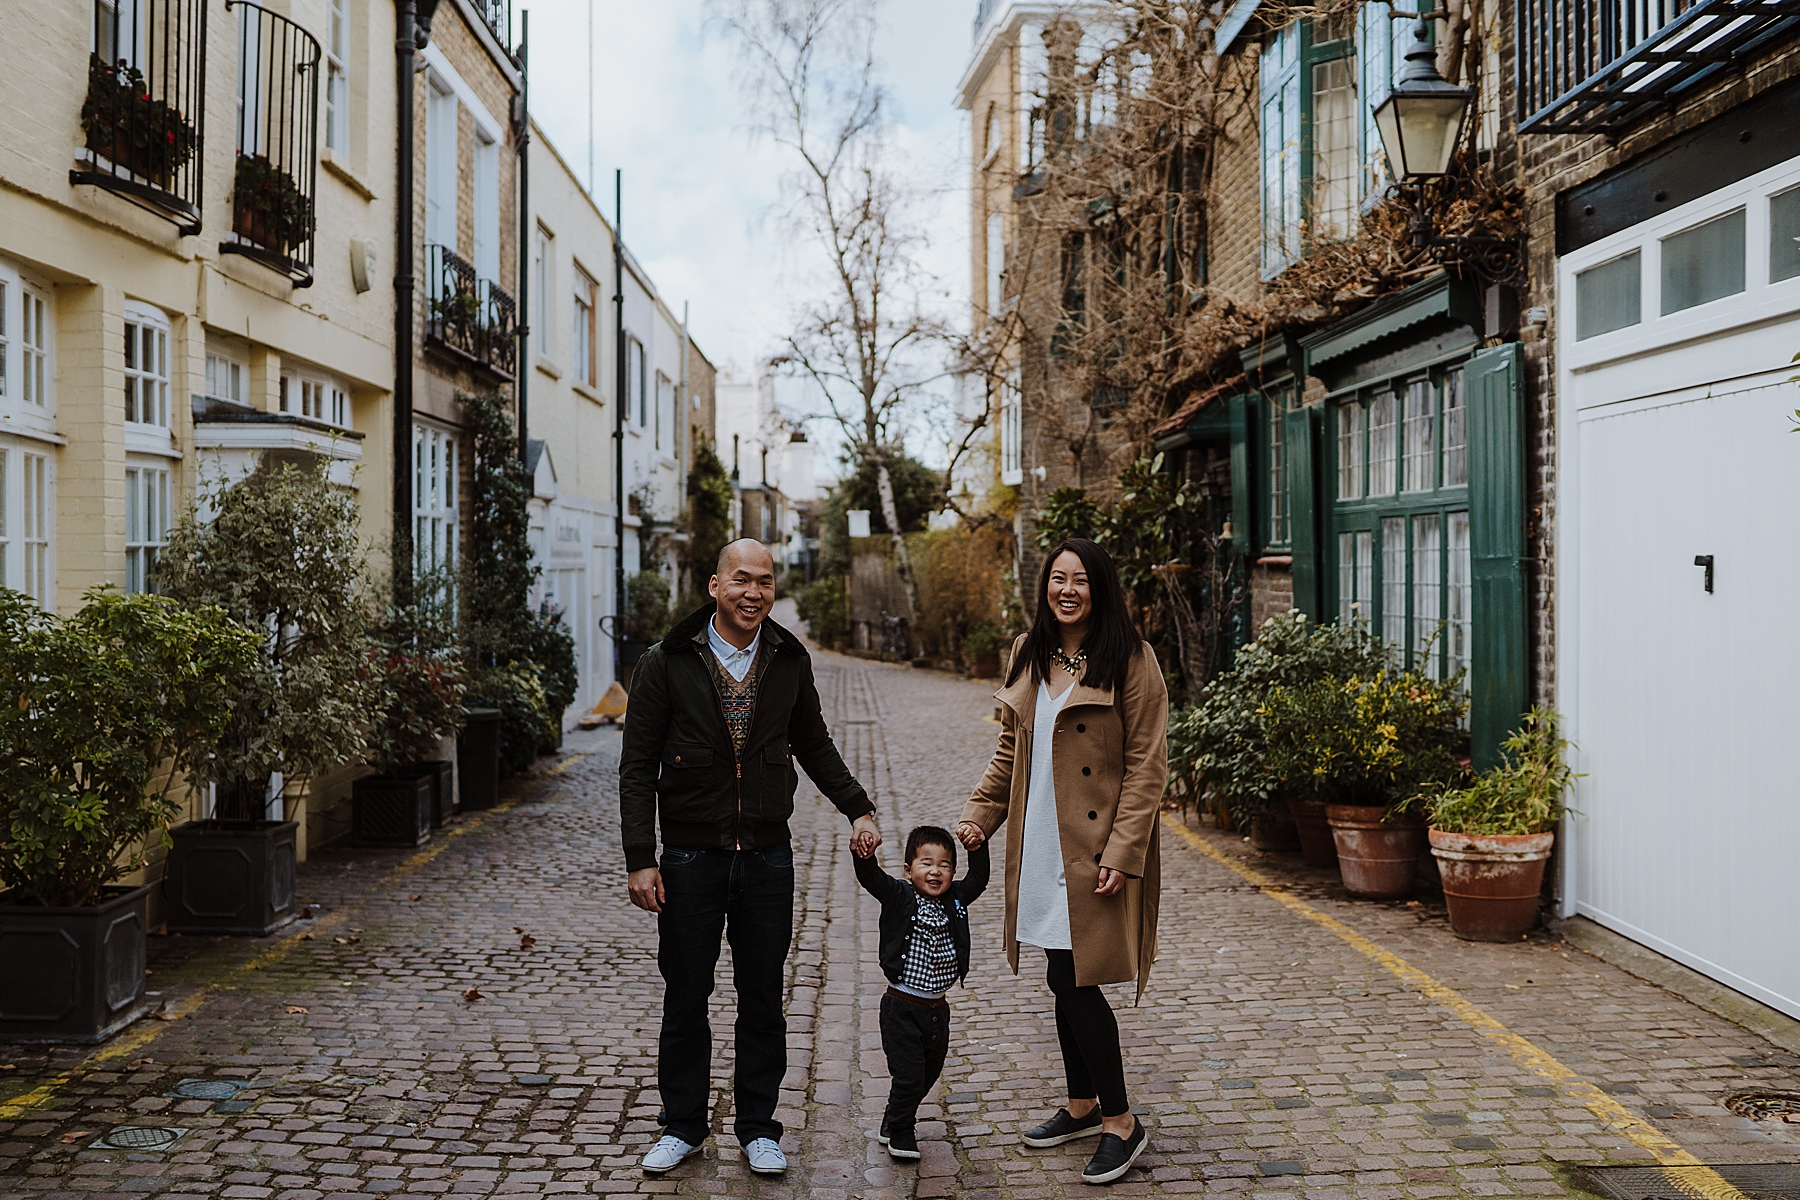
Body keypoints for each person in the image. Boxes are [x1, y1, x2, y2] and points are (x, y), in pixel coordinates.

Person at [620, 538, 882, 1177]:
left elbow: (814, 743)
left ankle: (758, 1127)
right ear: (714, 585)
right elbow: (637, 767)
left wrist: (859, 807)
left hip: (766, 856)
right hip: (688, 856)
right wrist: (639, 857)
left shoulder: (788, 659)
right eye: (741, 580)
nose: (753, 593)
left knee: (763, 996)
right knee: (686, 993)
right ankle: (680, 1126)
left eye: (764, 582)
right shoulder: (667, 661)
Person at [956, 537, 1167, 1186]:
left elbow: (1148, 768)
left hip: (1094, 847)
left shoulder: (1132, 660)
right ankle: (1081, 1105)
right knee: (1058, 972)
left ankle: (1121, 1123)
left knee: (1077, 980)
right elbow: (1007, 752)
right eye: (1057, 578)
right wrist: (979, 815)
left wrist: (1124, 852)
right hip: (1039, 838)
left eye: (1079, 579)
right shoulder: (1031, 653)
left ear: (1100, 588)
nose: (1066, 589)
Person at [852, 824, 991, 1161]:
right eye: (926, 863)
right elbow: (872, 879)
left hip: (936, 1011)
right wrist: (865, 858)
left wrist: (977, 848)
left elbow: (980, 879)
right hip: (901, 1006)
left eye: (944, 865)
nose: (935, 871)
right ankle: (901, 1132)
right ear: (908, 869)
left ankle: (892, 1118)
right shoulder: (899, 895)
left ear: (953, 872)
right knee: (909, 1074)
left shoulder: (956, 899)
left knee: (928, 1073)